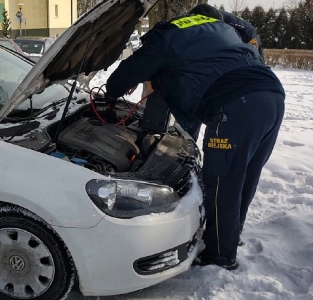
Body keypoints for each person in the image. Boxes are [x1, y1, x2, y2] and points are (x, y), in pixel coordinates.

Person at [104, 8, 285, 270]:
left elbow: (126, 73)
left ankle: (220, 256)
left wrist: (112, 92)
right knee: (244, 175)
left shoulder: (165, 37)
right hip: (272, 97)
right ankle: (230, 234)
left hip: (235, 108)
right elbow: (199, 87)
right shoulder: (217, 28)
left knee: (221, 183)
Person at [186, 4, 264, 141]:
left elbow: (254, 64)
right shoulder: (192, 22)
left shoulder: (244, 32)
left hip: (241, 78)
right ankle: (189, 139)